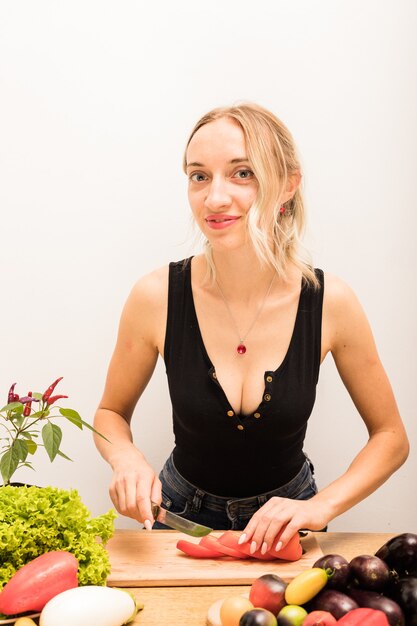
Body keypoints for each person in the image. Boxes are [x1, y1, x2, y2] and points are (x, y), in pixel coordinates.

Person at [93, 103, 409, 555]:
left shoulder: (330, 301)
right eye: (199, 176)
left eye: (242, 173)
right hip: (177, 518)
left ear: (287, 185)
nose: (215, 198)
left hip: (287, 520)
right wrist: (125, 458)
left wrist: (319, 507)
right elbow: (110, 414)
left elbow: (391, 438)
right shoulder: (155, 295)